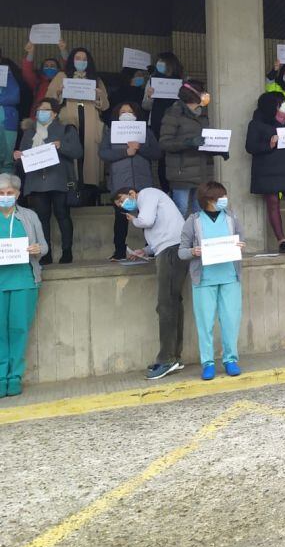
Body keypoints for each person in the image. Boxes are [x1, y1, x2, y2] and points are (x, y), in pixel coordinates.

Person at [114, 184, 188, 380]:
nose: (124, 205)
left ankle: (166, 360)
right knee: (173, 303)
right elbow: (159, 233)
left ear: (132, 193)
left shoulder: (146, 194)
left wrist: (134, 220)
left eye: (123, 200)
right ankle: (174, 356)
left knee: (166, 305)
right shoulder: (150, 199)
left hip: (171, 251)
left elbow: (146, 221)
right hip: (169, 249)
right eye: (121, 205)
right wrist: (144, 251)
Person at [178, 181, 245, 381]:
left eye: (224, 196)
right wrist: (193, 251)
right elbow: (181, 251)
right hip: (204, 278)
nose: (224, 200)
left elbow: (241, 239)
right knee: (205, 322)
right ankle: (207, 363)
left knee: (231, 320)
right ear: (208, 200)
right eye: (219, 198)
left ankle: (230, 359)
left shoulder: (231, 218)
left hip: (230, 276)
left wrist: (240, 245)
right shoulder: (193, 220)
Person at [16, 98, 82, 264]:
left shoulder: (66, 129)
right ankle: (46, 253)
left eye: (45, 110)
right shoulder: (29, 132)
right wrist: (17, 156)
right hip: (36, 181)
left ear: (54, 113)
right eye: (39, 110)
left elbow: (78, 152)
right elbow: (23, 156)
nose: (41, 113)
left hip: (59, 180)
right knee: (41, 218)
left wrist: (62, 146)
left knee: (62, 215)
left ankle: (67, 251)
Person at [0, 173, 48, 397]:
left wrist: (38, 249)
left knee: (18, 330)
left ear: (18, 194)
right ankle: (1, 377)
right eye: (1, 193)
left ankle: (14, 376)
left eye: (10, 193)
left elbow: (44, 247)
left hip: (25, 281)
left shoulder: (29, 216)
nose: (5, 197)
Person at [246, 91, 285, 253]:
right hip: (268, 169)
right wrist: (269, 144)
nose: (283, 107)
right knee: (273, 202)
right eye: (279, 104)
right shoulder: (256, 124)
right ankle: (282, 240)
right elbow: (250, 147)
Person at [45, 47, 110, 203]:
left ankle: (89, 193)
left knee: (89, 156)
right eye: (78, 58)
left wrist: (98, 96)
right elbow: (49, 101)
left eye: (84, 59)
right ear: (72, 60)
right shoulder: (61, 76)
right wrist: (59, 93)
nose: (81, 61)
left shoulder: (96, 79)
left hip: (90, 121)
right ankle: (71, 189)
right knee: (71, 151)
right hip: (69, 119)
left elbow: (106, 106)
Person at [99, 102, 162, 261]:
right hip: (120, 180)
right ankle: (119, 251)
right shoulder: (111, 132)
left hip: (142, 180)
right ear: (117, 115)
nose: (126, 114)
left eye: (130, 111)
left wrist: (140, 148)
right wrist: (126, 152)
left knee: (146, 216)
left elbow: (157, 153)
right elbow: (104, 153)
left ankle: (152, 248)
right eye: (123, 111)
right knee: (121, 218)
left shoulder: (146, 132)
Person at [158, 80, 217, 216]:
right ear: (194, 94)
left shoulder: (202, 115)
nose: (205, 95)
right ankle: (177, 238)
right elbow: (164, 142)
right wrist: (188, 143)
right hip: (181, 173)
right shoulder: (174, 114)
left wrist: (218, 149)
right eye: (202, 92)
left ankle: (196, 238)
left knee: (200, 212)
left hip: (202, 172)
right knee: (181, 210)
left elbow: (205, 141)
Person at [143, 51, 185, 191]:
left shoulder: (180, 81)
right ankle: (165, 189)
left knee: (174, 156)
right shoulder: (152, 80)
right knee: (162, 158)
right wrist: (149, 97)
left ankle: (175, 188)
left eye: (163, 61)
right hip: (157, 124)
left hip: (176, 124)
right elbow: (145, 106)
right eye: (158, 61)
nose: (159, 64)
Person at [0, 59, 29, 174]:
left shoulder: (9, 71)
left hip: (8, 121)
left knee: (7, 159)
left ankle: (7, 189)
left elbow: (14, 96)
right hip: (8, 118)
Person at [21, 38, 69, 106]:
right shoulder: (37, 82)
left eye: (52, 66)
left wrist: (63, 50)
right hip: (38, 114)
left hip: (58, 114)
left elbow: (70, 68)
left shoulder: (63, 81)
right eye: (46, 66)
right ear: (42, 69)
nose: (49, 67)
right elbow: (27, 72)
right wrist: (30, 52)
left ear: (58, 69)